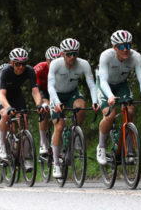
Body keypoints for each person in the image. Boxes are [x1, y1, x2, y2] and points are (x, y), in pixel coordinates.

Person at [96, 30, 141, 165]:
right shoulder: (106, 56)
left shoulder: (136, 57)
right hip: (105, 85)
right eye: (122, 47)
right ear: (114, 47)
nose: (126, 50)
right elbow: (103, 80)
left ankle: (129, 149)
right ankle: (101, 147)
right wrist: (110, 96)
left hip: (121, 85)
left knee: (130, 111)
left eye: (128, 45)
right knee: (110, 115)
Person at [47, 39, 99, 178]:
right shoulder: (55, 64)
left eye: (75, 54)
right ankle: (56, 163)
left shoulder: (83, 64)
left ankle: (76, 133)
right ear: (63, 54)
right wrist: (57, 103)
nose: (72, 57)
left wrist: (95, 101)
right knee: (59, 126)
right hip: (56, 94)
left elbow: (92, 84)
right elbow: (50, 86)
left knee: (81, 108)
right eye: (69, 54)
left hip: (72, 93)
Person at [0, 48, 47, 170]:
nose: (21, 67)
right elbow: (2, 95)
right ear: (11, 63)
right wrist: (8, 108)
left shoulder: (29, 70)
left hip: (16, 94)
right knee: (5, 114)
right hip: (0, 95)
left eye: (23, 63)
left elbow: (35, 91)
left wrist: (38, 105)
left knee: (24, 122)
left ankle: (25, 158)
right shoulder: (6, 71)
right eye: (17, 64)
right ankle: (2, 144)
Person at [33, 46, 61, 155]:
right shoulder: (39, 68)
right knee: (46, 108)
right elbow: (33, 85)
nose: (54, 63)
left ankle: (57, 140)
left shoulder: (63, 68)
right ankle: (43, 142)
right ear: (46, 60)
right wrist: (40, 103)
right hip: (42, 91)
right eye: (51, 60)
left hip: (56, 90)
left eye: (57, 60)